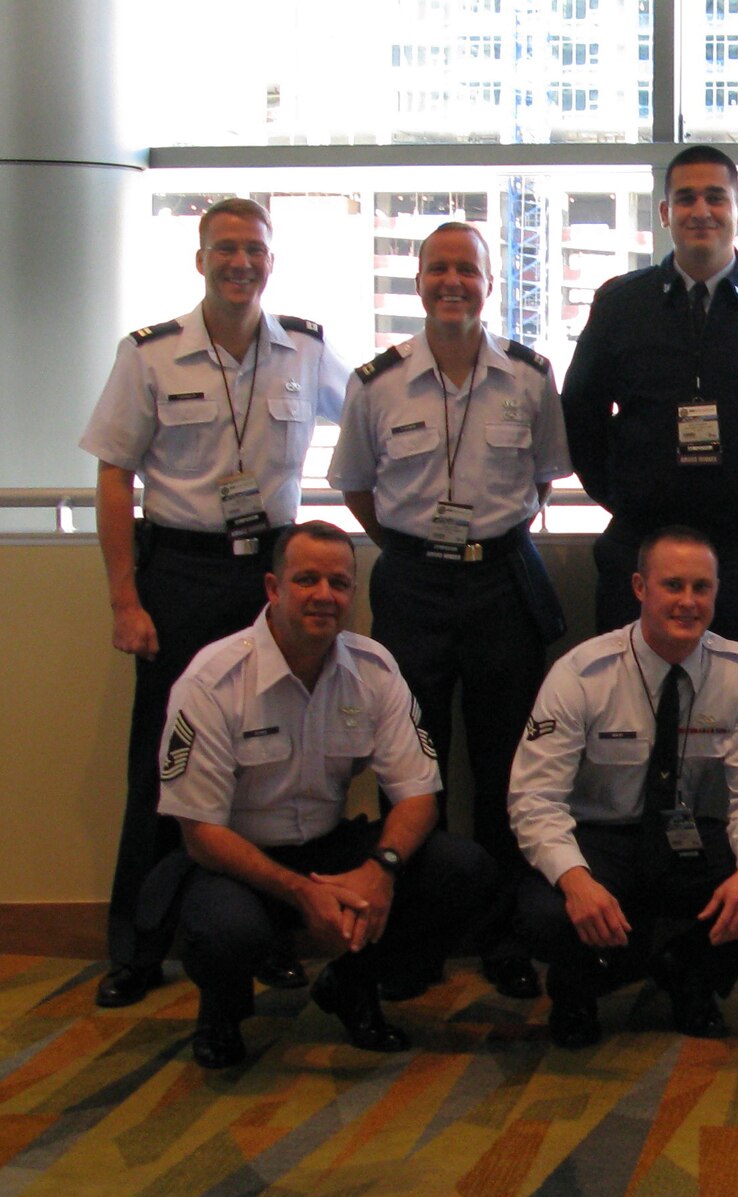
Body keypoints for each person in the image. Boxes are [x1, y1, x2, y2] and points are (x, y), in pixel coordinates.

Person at [80, 197, 347, 1008]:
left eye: (255, 251)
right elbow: (114, 475)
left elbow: (376, 412)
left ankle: (265, 938)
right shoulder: (151, 355)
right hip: (183, 574)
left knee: (272, 762)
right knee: (165, 764)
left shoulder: (306, 349)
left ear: (272, 260)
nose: (241, 264)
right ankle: (139, 944)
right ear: (200, 260)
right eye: (225, 250)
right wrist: (125, 599)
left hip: (270, 580)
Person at [327, 222, 571, 1003]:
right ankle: (416, 940)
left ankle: (502, 936)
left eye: (468, 268)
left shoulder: (530, 379)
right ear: (419, 280)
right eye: (438, 268)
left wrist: (476, 546)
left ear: (491, 282)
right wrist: (415, 551)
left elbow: (541, 482)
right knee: (411, 771)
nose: (452, 281)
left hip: (501, 585)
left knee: (506, 770)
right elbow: (358, 488)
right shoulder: (377, 382)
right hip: (412, 590)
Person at [156, 523, 495, 1068]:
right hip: (237, 861)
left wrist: (379, 870)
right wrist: (297, 892)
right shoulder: (213, 681)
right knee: (225, 932)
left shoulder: (373, 671)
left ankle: (352, 986)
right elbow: (199, 832)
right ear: (273, 588)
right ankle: (221, 1009)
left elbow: (418, 794)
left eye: (339, 583)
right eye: (306, 579)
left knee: (463, 869)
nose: (324, 595)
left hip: (328, 849)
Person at [510, 525, 738, 1048]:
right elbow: (534, 799)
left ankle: (689, 968)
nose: (687, 602)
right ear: (639, 588)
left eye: (701, 588)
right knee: (542, 913)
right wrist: (576, 881)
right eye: (672, 586)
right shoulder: (582, 675)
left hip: (690, 836)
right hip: (606, 840)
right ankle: (576, 988)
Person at [562, 145, 738, 706]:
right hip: (645, 549)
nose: (701, 211)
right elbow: (580, 411)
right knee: (630, 720)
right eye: (685, 198)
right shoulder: (621, 305)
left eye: (716, 197)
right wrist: (620, 494)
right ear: (664, 214)